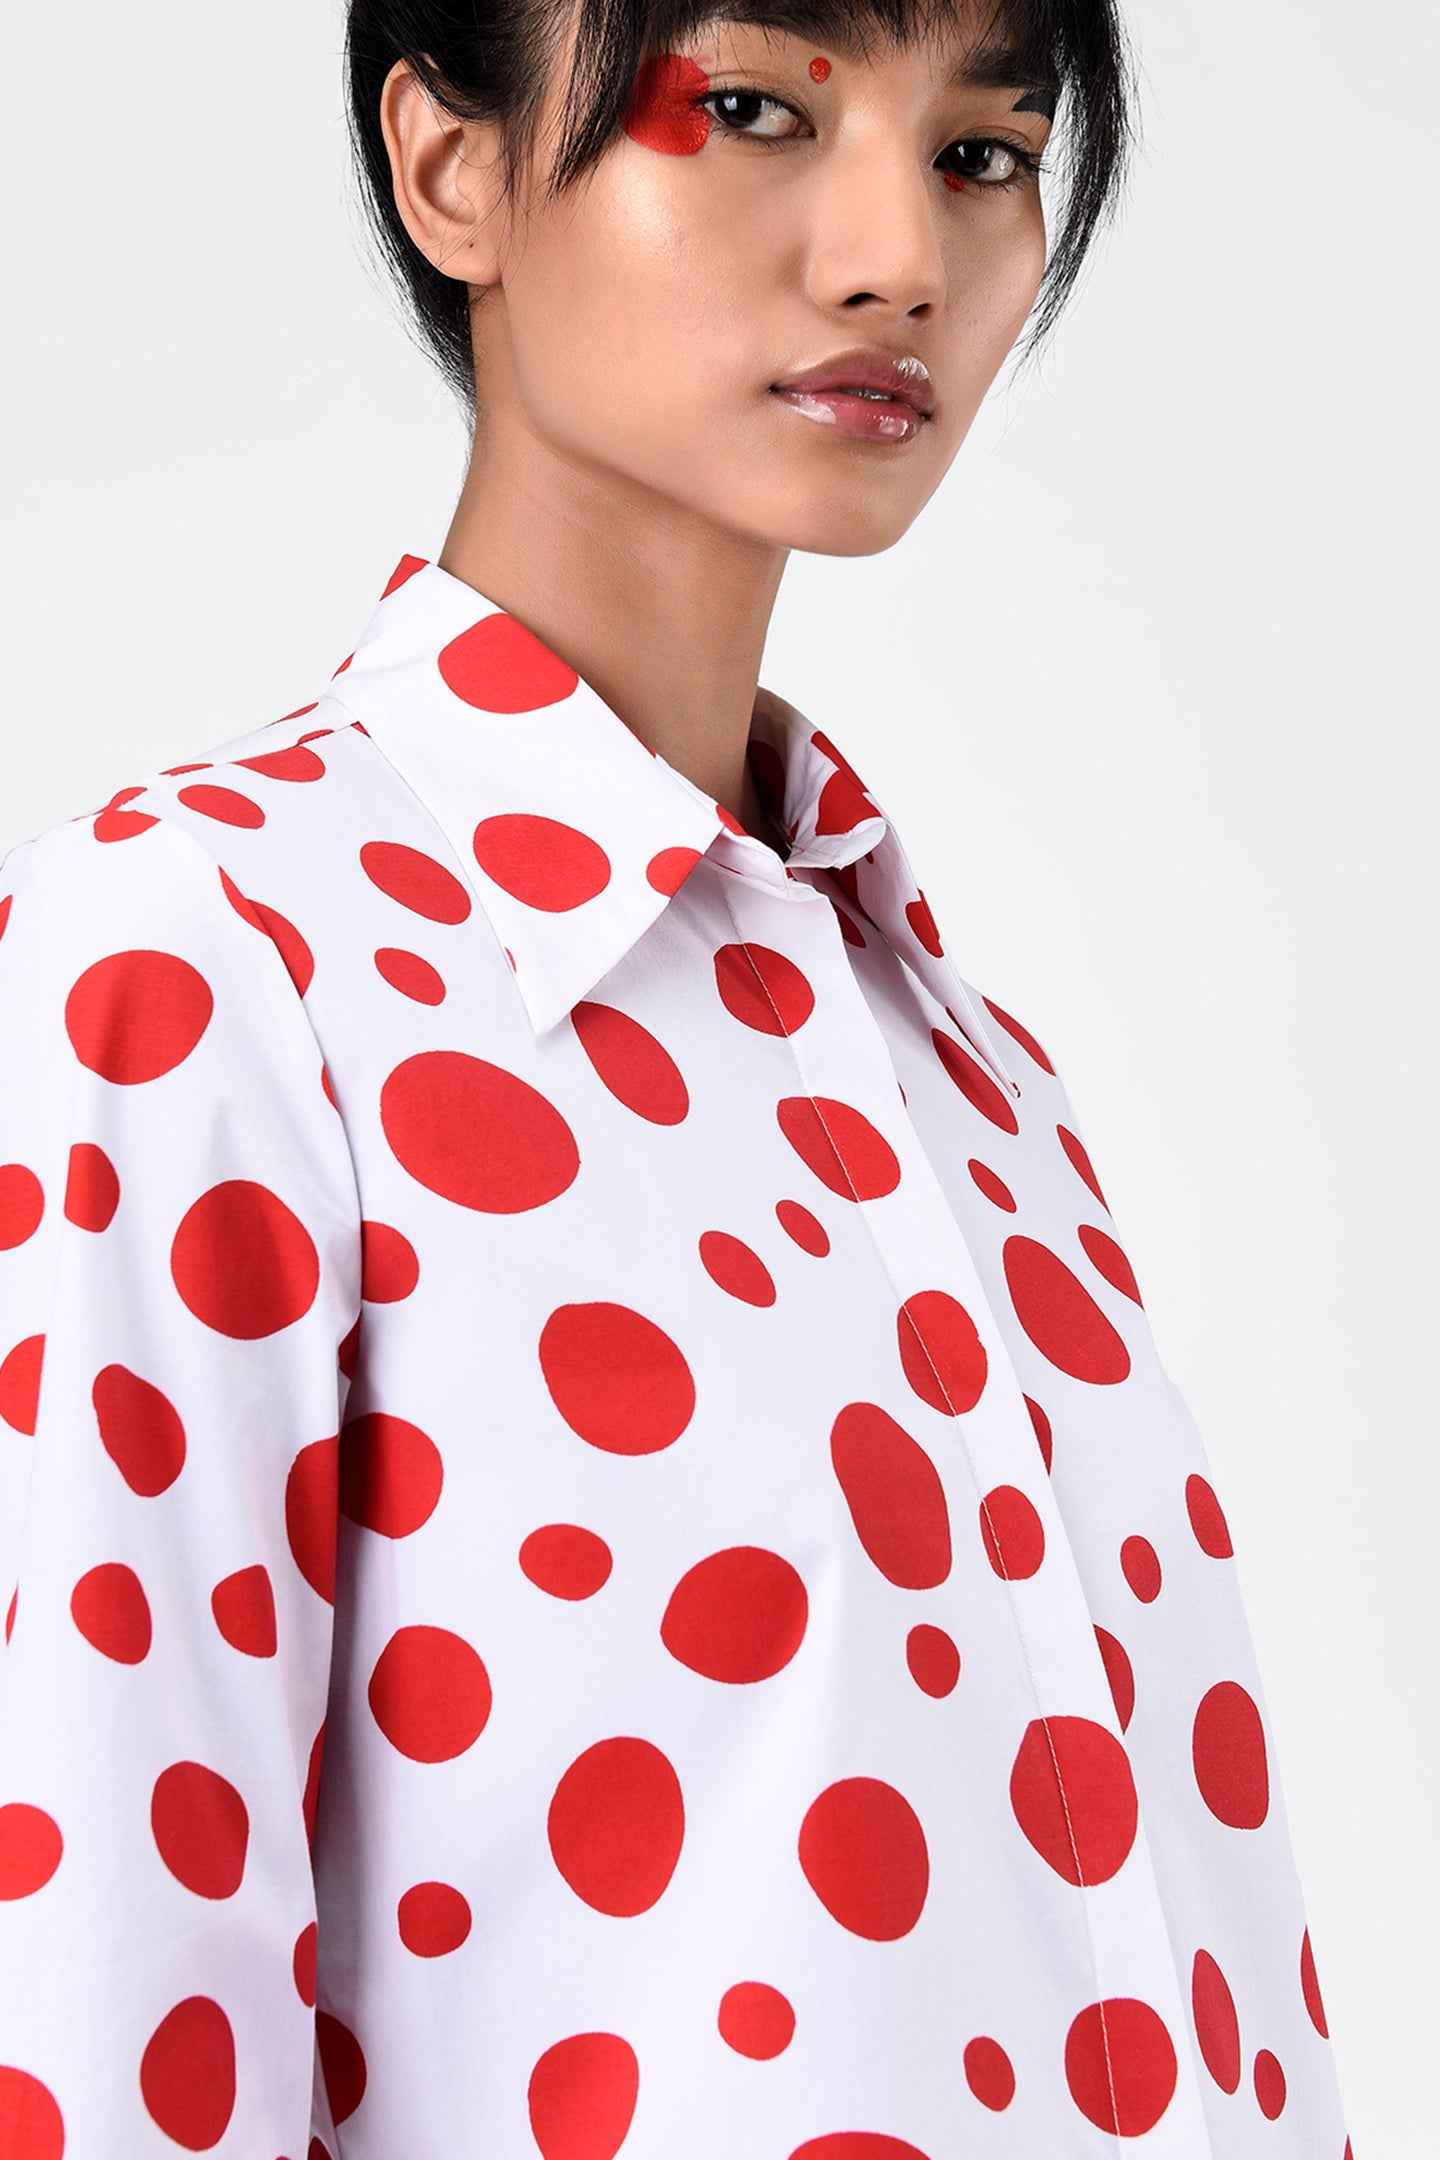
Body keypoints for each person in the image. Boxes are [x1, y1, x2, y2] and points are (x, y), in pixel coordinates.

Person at [0, 2, 1354, 2154]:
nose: (899, 255)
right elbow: (92, 2009)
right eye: (747, 109)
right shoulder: (199, 964)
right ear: (453, 168)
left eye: (986, 153)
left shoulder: (964, 1062)